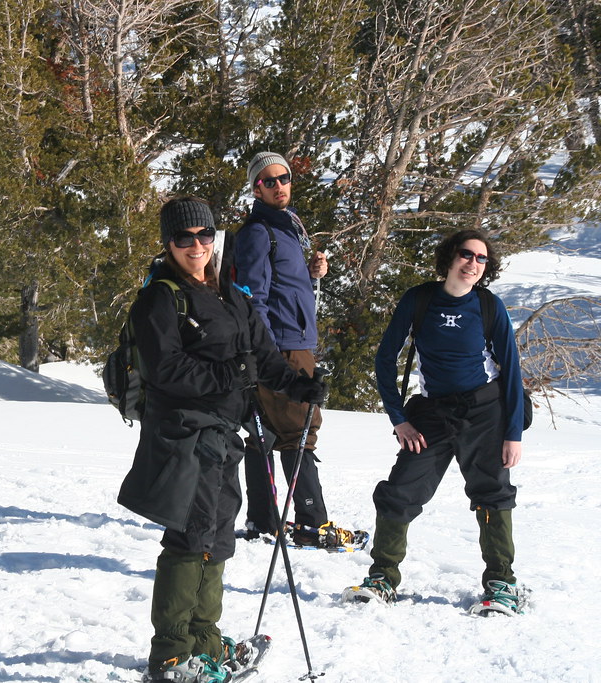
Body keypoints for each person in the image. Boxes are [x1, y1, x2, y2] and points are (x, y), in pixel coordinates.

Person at [117, 196, 327, 682]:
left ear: (215, 238)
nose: (196, 246)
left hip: (225, 435)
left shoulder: (229, 294)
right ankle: (170, 656)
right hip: (184, 433)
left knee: (217, 538)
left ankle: (204, 640)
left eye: (204, 236)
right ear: (168, 243)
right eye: (184, 238)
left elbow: (265, 356)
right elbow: (164, 368)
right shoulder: (161, 297)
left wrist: (300, 385)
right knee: (189, 539)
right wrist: (230, 373)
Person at [343, 230, 526, 615]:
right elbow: (384, 359)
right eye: (466, 254)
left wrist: (512, 434)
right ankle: (382, 578)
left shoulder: (489, 306)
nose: (473, 263)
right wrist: (398, 420)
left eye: (481, 259)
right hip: (433, 413)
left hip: (485, 411)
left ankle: (501, 584)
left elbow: (511, 372)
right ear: (449, 258)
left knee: (492, 494)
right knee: (400, 490)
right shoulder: (419, 299)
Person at [234, 151, 352, 547]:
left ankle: (262, 519)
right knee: (299, 429)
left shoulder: (286, 227)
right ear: (256, 188)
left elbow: (282, 281)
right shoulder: (259, 231)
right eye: (269, 181)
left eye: (283, 177)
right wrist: (266, 353)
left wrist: (312, 270)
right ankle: (311, 523)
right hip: (283, 346)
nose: (279, 185)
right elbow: (254, 298)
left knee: (265, 432)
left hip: (291, 340)